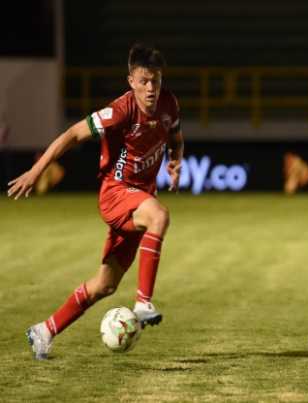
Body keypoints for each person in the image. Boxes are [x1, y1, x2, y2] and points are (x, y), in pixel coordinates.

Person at [7, 43, 184, 360]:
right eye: (143, 81)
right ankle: (143, 304)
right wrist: (35, 172)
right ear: (130, 80)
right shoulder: (120, 111)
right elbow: (73, 134)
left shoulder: (169, 103)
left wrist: (175, 160)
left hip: (138, 198)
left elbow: (175, 134)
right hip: (116, 192)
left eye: (155, 80)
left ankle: (44, 330)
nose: (150, 88)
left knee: (105, 284)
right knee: (159, 216)